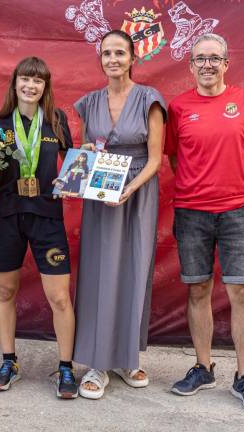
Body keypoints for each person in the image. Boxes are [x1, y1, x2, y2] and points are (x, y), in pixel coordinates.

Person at [164, 33, 244, 413]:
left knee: (242, 292)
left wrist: (235, 188)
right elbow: (175, 159)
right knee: (198, 290)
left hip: (237, 211)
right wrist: (200, 188)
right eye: (200, 59)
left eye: (214, 58)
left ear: (226, 63)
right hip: (191, 211)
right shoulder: (177, 108)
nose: (207, 65)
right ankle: (203, 367)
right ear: (190, 65)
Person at [72, 30, 166, 399]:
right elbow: (86, 146)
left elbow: (156, 158)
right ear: (101, 60)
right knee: (98, 272)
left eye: (120, 53)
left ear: (132, 58)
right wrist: (79, 172)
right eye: (107, 53)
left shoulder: (150, 99)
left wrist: (129, 188)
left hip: (138, 194)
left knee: (133, 270)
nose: (113, 59)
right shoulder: (89, 102)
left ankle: (127, 358)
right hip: (100, 194)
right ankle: (96, 361)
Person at [0, 57, 78, 399]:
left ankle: (66, 367)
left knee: (59, 297)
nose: (31, 86)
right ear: (15, 83)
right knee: (5, 292)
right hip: (8, 215)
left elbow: (73, 162)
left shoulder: (56, 120)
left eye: (38, 81)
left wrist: (89, 164)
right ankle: (9, 361)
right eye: (26, 79)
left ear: (45, 86)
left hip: (47, 216)